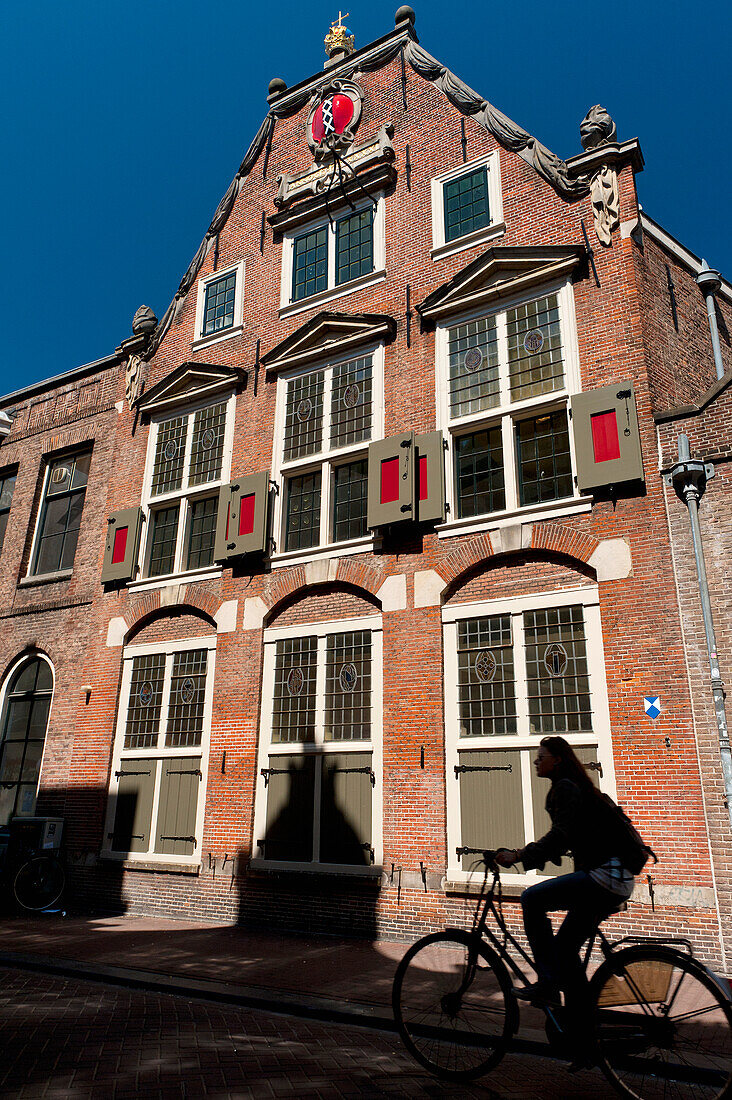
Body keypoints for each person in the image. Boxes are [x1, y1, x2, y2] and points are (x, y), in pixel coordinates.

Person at [496, 736, 635, 1023]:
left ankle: (547, 985)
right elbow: (570, 838)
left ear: (556, 759)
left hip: (604, 877)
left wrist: (518, 855)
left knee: (531, 899)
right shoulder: (576, 787)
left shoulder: (565, 788)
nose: (536, 760)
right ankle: (582, 1030)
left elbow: (560, 837)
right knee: (565, 951)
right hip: (615, 877)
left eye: (541, 756)